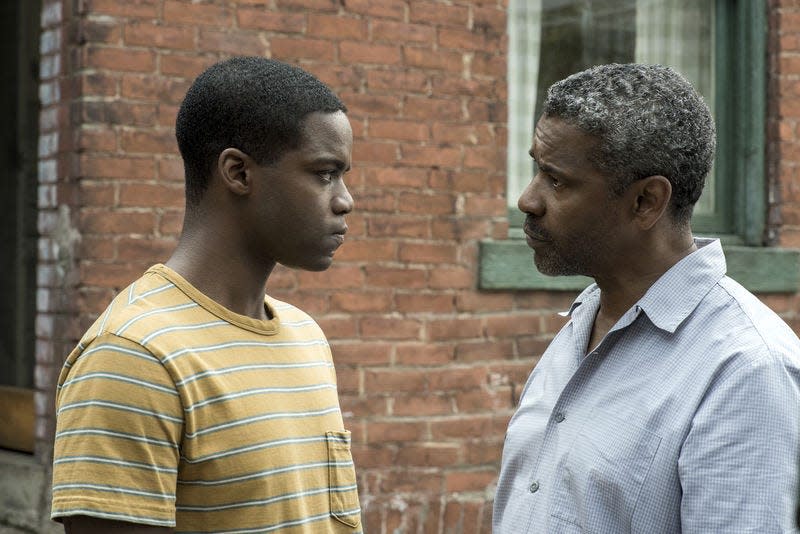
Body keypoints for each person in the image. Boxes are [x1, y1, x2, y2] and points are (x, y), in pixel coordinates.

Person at [51, 57, 361, 533]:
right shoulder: (135, 356)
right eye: (323, 173)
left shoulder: (305, 337)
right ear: (238, 173)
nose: (345, 200)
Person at [493, 63, 800, 533]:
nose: (527, 200)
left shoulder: (746, 369)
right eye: (537, 168)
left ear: (646, 201)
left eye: (556, 181)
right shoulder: (583, 321)